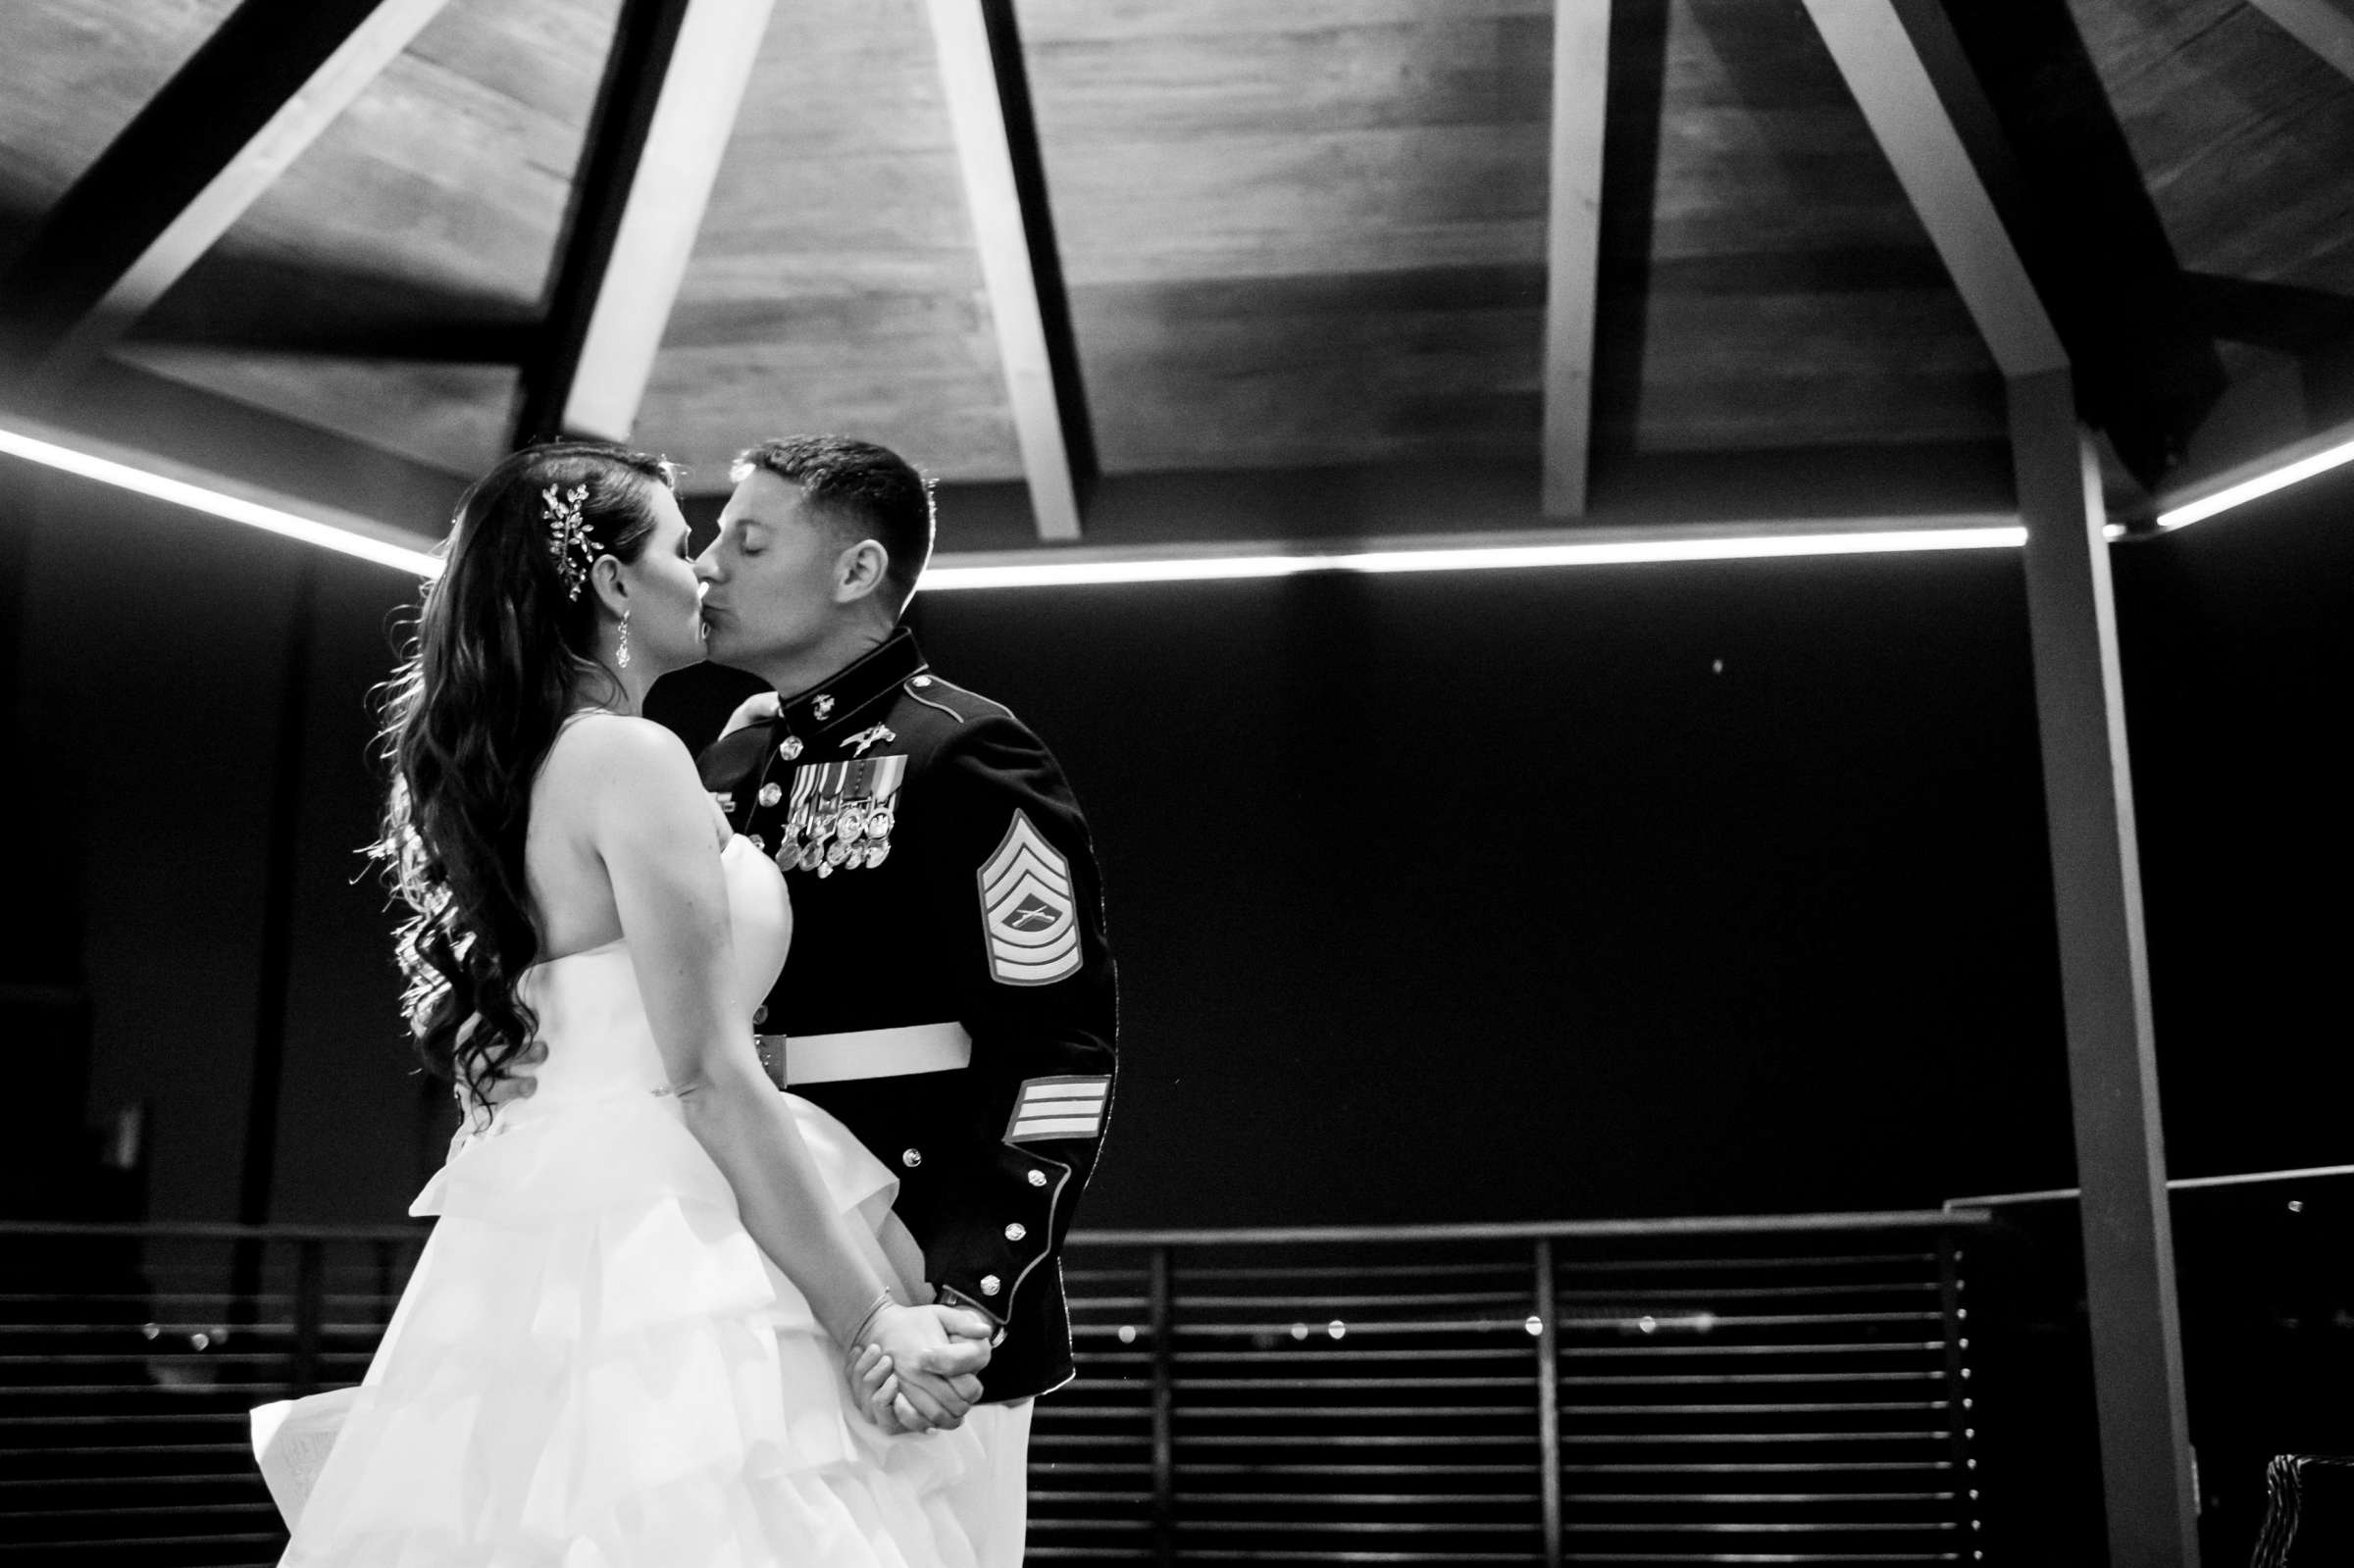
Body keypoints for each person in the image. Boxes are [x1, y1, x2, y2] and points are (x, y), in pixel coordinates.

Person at [271, 440, 996, 1566]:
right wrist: (871, 1323)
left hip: (544, 1224)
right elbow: (706, 1074)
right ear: (611, 584)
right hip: (671, 1230)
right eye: (676, 543)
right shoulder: (631, 761)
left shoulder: (543, 767)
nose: (704, 569)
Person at [491, 434, 1118, 1566]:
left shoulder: (966, 751)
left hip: (913, 1270)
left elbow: (1059, 1050)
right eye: (708, 540)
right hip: (738, 1258)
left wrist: (974, 1291)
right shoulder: (726, 760)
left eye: (748, 538)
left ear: (855, 572)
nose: (713, 564)